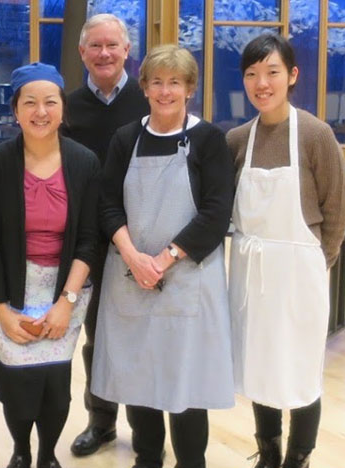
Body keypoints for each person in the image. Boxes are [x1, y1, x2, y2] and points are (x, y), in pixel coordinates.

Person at [92, 44, 235, 468]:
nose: (166, 91)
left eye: (175, 82)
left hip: (188, 279)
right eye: (157, 82)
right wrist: (134, 256)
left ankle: (192, 462)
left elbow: (215, 211)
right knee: (140, 377)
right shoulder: (126, 138)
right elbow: (107, 203)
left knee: (187, 384)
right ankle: (147, 458)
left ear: (189, 88)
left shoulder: (208, 139)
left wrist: (164, 260)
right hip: (132, 276)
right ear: (145, 87)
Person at [226, 34, 345, 468]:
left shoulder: (316, 134)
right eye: (252, 74)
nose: (262, 83)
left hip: (299, 272)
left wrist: (317, 263)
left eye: (272, 72)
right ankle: (269, 451)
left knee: (299, 369)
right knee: (261, 365)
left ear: (292, 76)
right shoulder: (238, 139)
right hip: (251, 272)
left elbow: (337, 209)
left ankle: (299, 456)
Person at [0, 62, 101, 468]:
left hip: (66, 285)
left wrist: (66, 301)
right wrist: (1, 310)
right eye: (30, 102)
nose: (40, 111)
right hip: (11, 284)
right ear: (16, 110)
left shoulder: (84, 163)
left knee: (54, 381)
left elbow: (88, 239)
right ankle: (21, 450)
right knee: (17, 381)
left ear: (63, 109)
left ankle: (47, 455)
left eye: (50, 102)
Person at [63, 13, 150, 457]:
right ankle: (101, 423)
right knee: (96, 336)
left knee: (138, 335)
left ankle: (145, 426)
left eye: (112, 45)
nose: (104, 53)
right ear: (82, 53)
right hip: (88, 242)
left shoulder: (149, 100)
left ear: (127, 51)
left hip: (141, 240)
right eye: (95, 46)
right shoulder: (66, 107)